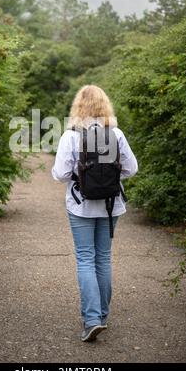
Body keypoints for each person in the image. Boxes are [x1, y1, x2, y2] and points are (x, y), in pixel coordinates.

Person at [52, 85, 138, 342]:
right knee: (103, 258)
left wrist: (83, 178)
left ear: (77, 106)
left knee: (86, 259)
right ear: (105, 105)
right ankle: (101, 315)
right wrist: (110, 180)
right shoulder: (116, 133)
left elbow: (60, 174)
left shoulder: (71, 136)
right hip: (112, 205)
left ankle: (91, 320)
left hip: (81, 206)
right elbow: (131, 169)